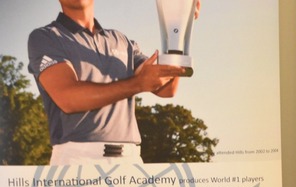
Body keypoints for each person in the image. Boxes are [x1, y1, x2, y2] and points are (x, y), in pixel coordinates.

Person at [27, 0, 200, 166]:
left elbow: (165, 89)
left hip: (129, 160)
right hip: (77, 158)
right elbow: (68, 98)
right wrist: (137, 84)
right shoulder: (45, 37)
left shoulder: (121, 40)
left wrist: (179, 25)